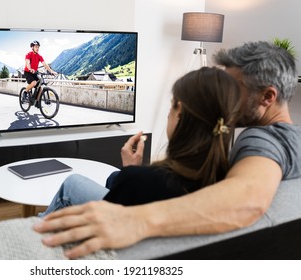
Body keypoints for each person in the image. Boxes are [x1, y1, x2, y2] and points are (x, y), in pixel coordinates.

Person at [0, 66, 241, 260]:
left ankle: (37, 227)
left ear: (180, 113)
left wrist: (130, 170)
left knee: (71, 183)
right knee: (75, 180)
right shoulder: (235, 179)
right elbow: (127, 189)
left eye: (171, 106)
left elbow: (121, 197)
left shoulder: (143, 180)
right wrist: (133, 173)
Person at [34, 41, 301, 259]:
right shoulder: (289, 139)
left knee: (73, 184)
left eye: (234, 89)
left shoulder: (262, 142)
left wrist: (134, 219)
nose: (226, 98)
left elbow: (247, 201)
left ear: (268, 97)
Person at [24, 40, 57, 105]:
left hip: (34, 72)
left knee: (40, 87)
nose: (37, 48)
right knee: (34, 83)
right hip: (28, 72)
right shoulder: (28, 54)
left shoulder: (39, 56)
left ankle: (37, 102)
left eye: (38, 47)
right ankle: (25, 92)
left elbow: (45, 64)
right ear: (32, 47)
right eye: (36, 47)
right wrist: (30, 69)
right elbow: (27, 63)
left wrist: (51, 71)